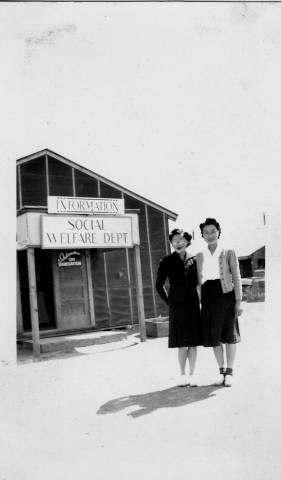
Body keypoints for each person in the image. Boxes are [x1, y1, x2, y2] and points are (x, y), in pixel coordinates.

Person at [196, 218, 243, 387]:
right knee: (214, 336)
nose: (209, 235)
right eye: (206, 232)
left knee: (229, 334)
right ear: (202, 235)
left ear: (218, 232)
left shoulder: (228, 251)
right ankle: (221, 371)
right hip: (208, 296)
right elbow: (198, 280)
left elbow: (236, 277)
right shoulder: (199, 255)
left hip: (226, 294)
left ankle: (230, 372)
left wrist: (238, 301)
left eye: (212, 231)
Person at [156, 228, 202, 387]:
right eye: (175, 241)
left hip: (193, 305)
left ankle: (193, 374)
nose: (178, 243)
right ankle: (182, 375)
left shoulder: (195, 259)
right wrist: (170, 301)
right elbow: (159, 285)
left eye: (181, 240)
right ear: (171, 243)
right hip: (177, 306)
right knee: (182, 344)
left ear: (187, 241)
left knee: (193, 343)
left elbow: (201, 281)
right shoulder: (166, 261)